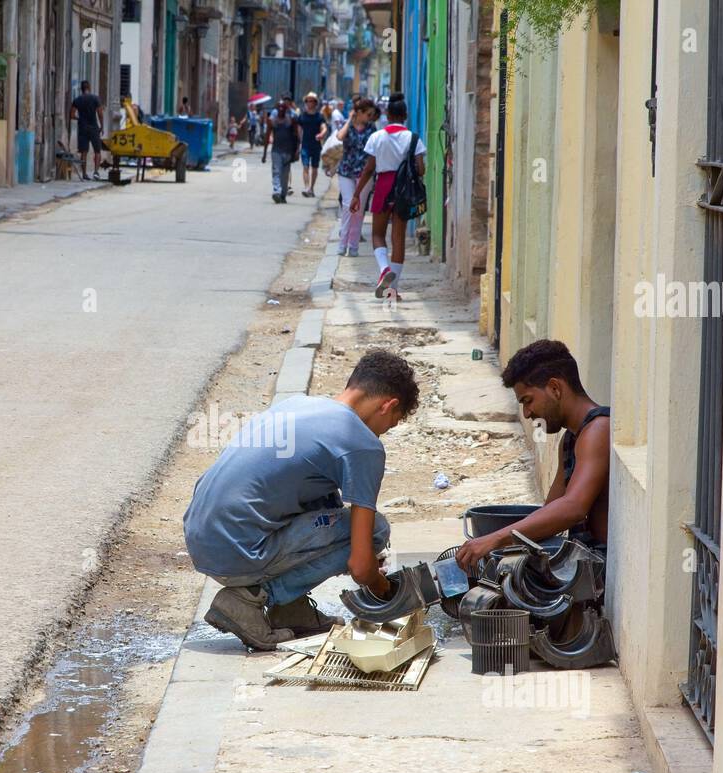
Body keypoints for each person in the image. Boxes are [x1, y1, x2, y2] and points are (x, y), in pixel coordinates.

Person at [184, 350, 420, 650]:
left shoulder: (299, 404)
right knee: (375, 531)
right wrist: (389, 592)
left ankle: (291, 609)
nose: (385, 432)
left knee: (325, 496)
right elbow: (360, 568)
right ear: (388, 405)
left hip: (202, 537)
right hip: (238, 553)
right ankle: (250, 599)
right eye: (393, 423)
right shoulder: (362, 444)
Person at [456, 340, 611, 573]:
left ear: (555, 388)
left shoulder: (599, 429)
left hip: (604, 572)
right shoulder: (570, 438)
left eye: (528, 401)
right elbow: (552, 511)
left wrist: (495, 539)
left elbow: (573, 507)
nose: (527, 413)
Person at [350, 92, 426, 298]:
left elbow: (368, 170)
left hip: (383, 186)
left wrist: (357, 195)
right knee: (398, 238)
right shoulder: (413, 138)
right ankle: (393, 289)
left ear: (387, 114)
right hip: (403, 190)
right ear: (405, 115)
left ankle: (384, 270)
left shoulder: (376, 137)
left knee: (377, 234)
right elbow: (421, 170)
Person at [334, 98, 378, 257]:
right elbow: (339, 137)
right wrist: (349, 119)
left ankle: (353, 246)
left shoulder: (372, 128)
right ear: (359, 112)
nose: (370, 117)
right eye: (367, 114)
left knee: (358, 210)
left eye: (371, 114)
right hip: (346, 170)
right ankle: (342, 243)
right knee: (347, 206)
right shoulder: (348, 126)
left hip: (364, 173)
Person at [266, 97, 299, 204]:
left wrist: (296, 151)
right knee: (276, 171)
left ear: (286, 109)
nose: (281, 109)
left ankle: (283, 194)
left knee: (285, 175)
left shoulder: (291, 121)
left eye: (283, 107)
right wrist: (264, 153)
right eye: (279, 107)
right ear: (276, 109)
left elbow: (297, 136)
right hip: (276, 150)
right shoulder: (273, 121)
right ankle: (276, 192)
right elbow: (267, 136)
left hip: (288, 151)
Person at [70, 81, 104, 180]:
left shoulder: (77, 100)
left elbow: (72, 115)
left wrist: (79, 118)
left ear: (81, 88)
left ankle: (84, 174)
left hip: (82, 128)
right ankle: (96, 172)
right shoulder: (95, 99)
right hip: (94, 128)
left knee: (84, 152)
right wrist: (101, 126)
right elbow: (100, 114)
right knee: (97, 151)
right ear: (89, 87)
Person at [296, 92, 328, 198]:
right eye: (308, 101)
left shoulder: (319, 116)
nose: (309, 103)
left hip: (316, 146)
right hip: (305, 145)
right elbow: (299, 129)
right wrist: (299, 142)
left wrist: (321, 134)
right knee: (305, 166)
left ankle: (312, 188)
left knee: (314, 168)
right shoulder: (302, 116)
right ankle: (306, 188)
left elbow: (324, 128)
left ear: (315, 103)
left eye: (312, 101)